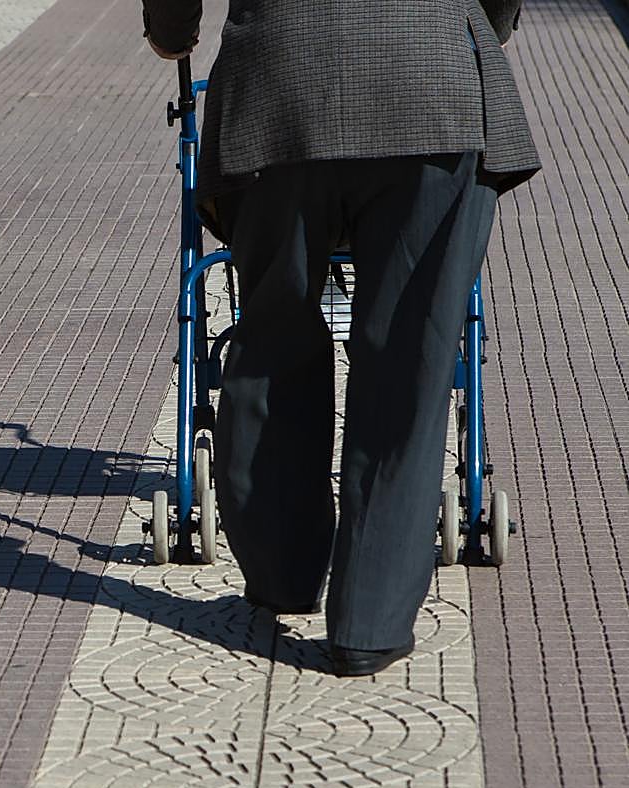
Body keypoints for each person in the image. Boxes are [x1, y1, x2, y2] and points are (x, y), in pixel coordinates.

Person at [142, 0, 539, 676]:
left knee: (271, 333)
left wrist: (173, 34)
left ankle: (283, 573)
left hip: (278, 94)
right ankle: (369, 625)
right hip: (433, 88)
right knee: (408, 362)